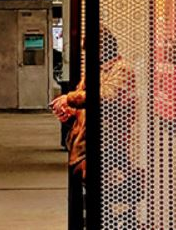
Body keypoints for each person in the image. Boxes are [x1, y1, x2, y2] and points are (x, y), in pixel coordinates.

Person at [51, 27, 137, 228]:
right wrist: (71, 112)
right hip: (85, 143)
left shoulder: (121, 69)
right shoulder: (94, 70)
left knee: (102, 196)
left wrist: (69, 98)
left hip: (108, 143)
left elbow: (107, 95)